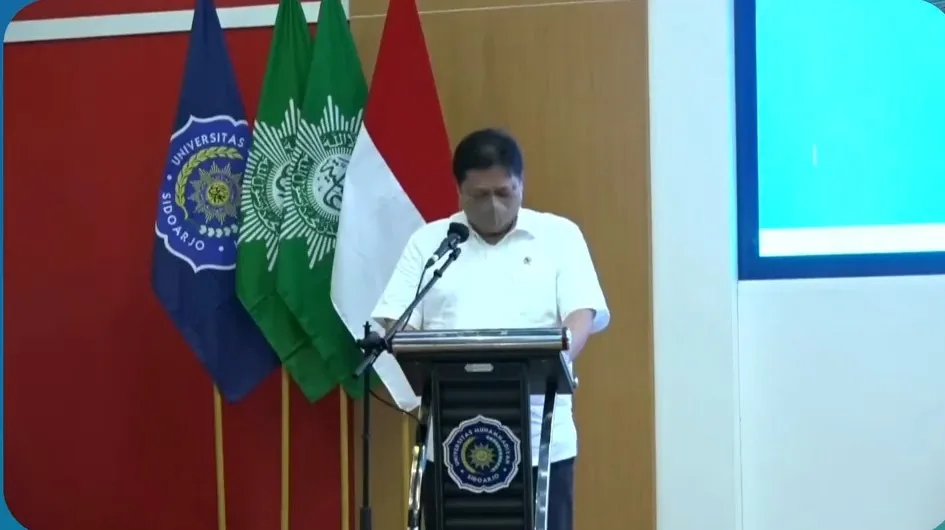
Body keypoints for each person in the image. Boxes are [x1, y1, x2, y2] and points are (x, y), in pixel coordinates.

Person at [371, 128, 610, 530]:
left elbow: (581, 314)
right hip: (452, 437)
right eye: (480, 195)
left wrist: (558, 359)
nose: (494, 205)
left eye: (504, 192)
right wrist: (409, 344)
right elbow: (398, 317)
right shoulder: (432, 242)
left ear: (521, 184)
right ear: (459, 191)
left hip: (539, 439)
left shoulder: (559, 236)